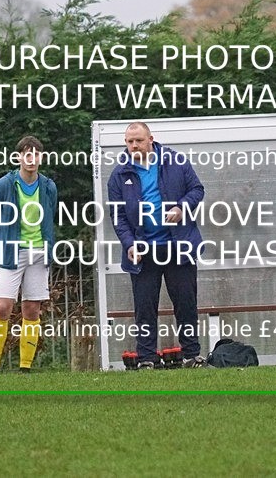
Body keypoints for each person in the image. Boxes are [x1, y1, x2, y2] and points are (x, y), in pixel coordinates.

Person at [107, 122, 206, 369]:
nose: (133, 146)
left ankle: (191, 355)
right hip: (143, 251)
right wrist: (129, 244)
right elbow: (117, 217)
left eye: (138, 140)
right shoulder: (119, 175)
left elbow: (197, 190)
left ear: (151, 139)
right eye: (129, 142)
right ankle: (147, 359)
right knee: (144, 307)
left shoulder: (177, 162)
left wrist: (182, 208)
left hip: (178, 246)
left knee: (185, 302)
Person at [0, 136, 57, 373]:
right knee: (3, 306)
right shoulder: (4, 184)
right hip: (10, 251)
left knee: (32, 309)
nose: (31, 159)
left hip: (38, 251)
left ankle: (25, 366)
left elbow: (50, 212)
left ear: (41, 158)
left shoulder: (48, 186)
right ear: (18, 158)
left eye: (35, 154)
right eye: (27, 154)